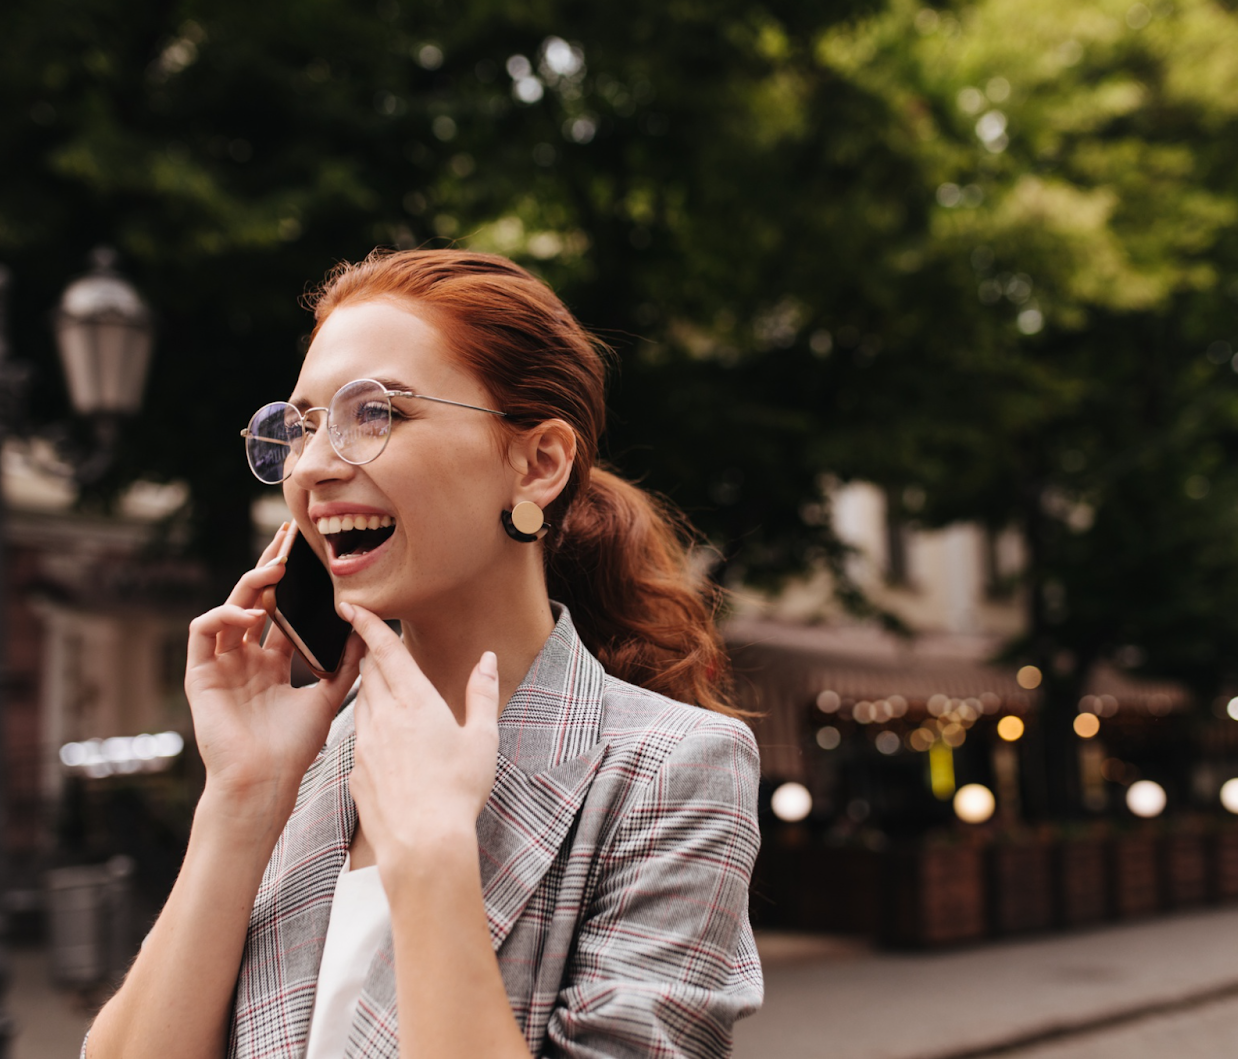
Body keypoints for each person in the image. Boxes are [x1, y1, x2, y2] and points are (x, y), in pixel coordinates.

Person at [84, 250, 763, 1058]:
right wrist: (243, 798)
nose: (314, 468)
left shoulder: (670, 769)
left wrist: (435, 862)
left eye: (376, 414)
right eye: (299, 427)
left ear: (538, 463)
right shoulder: (311, 764)